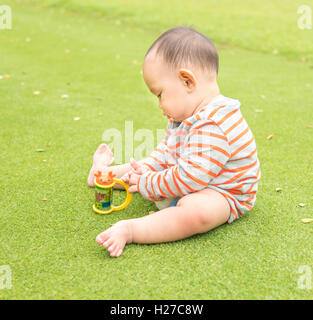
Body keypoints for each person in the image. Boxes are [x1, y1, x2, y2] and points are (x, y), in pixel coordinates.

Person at [87, 26, 261, 258]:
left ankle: (131, 230)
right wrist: (144, 173)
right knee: (147, 166)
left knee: (198, 212)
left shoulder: (215, 124)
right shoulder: (184, 116)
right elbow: (165, 155)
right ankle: (102, 174)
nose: (159, 105)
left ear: (187, 81)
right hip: (189, 178)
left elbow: (191, 178)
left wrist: (149, 184)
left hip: (223, 192)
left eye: (160, 94)